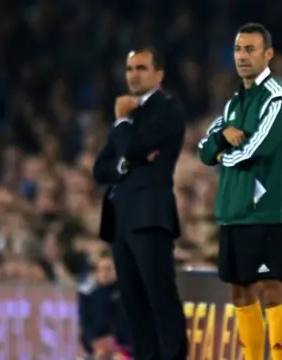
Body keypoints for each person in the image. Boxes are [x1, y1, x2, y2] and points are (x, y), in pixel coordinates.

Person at [198, 23, 282, 360]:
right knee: (239, 291)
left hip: (261, 208)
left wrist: (222, 151)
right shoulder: (233, 104)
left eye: (251, 49)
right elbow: (203, 149)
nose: (243, 56)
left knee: (270, 288)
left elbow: (255, 149)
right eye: (239, 49)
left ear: (268, 54)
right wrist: (221, 138)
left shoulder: (278, 98)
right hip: (231, 210)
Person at [93, 47, 188, 360]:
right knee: (134, 303)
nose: (133, 74)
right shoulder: (129, 112)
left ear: (158, 74)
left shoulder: (167, 109)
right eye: (130, 68)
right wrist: (126, 161)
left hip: (150, 216)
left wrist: (122, 127)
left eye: (141, 68)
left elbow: (135, 146)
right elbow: (101, 167)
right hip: (120, 220)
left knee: (159, 297)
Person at [78, 248, 133, 359]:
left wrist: (116, 343)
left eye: (108, 269)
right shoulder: (90, 296)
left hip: (125, 350)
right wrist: (94, 341)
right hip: (96, 350)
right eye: (100, 269)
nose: (103, 273)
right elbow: (86, 324)